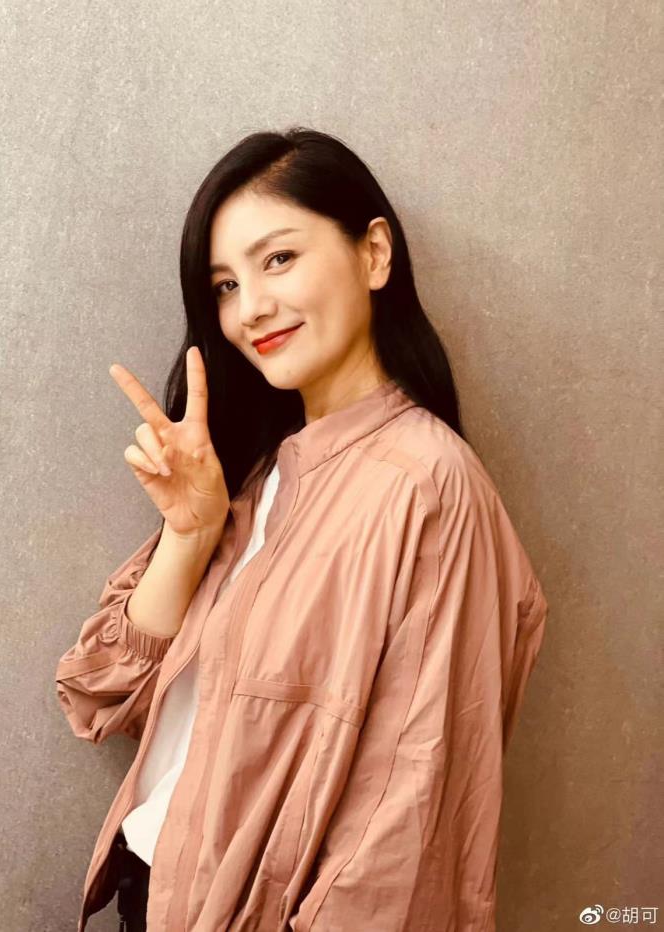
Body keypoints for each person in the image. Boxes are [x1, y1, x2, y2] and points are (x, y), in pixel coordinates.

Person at [56, 127, 549, 932]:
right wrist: (191, 534)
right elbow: (100, 693)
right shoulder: (260, 477)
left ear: (374, 254)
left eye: (278, 259)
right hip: (153, 896)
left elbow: (406, 832)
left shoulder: (430, 487)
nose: (249, 308)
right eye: (224, 285)